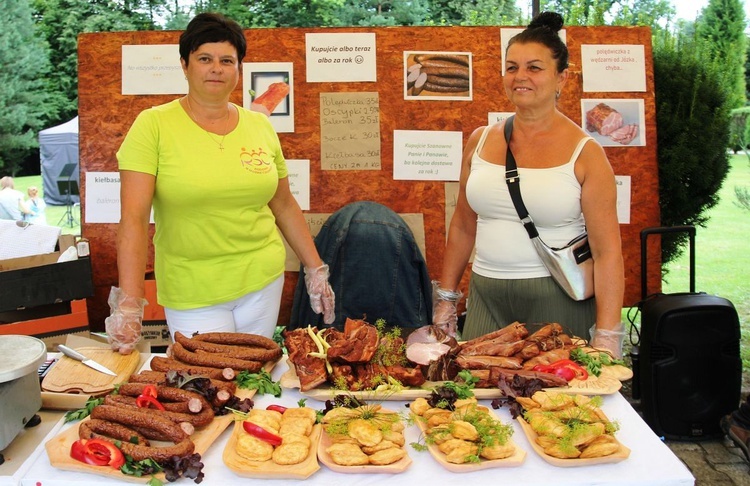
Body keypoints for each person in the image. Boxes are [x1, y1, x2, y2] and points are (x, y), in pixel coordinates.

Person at [107, 12, 334, 354]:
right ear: (185, 65)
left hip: (262, 280)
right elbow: (134, 221)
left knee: (255, 376)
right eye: (205, 59)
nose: (216, 68)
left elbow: (284, 203)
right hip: (193, 288)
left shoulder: (259, 126)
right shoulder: (152, 126)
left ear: (238, 69)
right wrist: (129, 302)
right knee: (209, 385)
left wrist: (315, 267)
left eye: (227, 60)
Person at [432, 11, 626, 358]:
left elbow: (607, 252)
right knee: (474, 403)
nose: (520, 77)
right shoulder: (479, 140)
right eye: (512, 67)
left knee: (556, 407)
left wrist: (608, 334)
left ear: (561, 78)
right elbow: (462, 225)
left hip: (558, 301)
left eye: (534, 68)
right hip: (486, 299)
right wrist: (447, 298)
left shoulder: (586, 153)